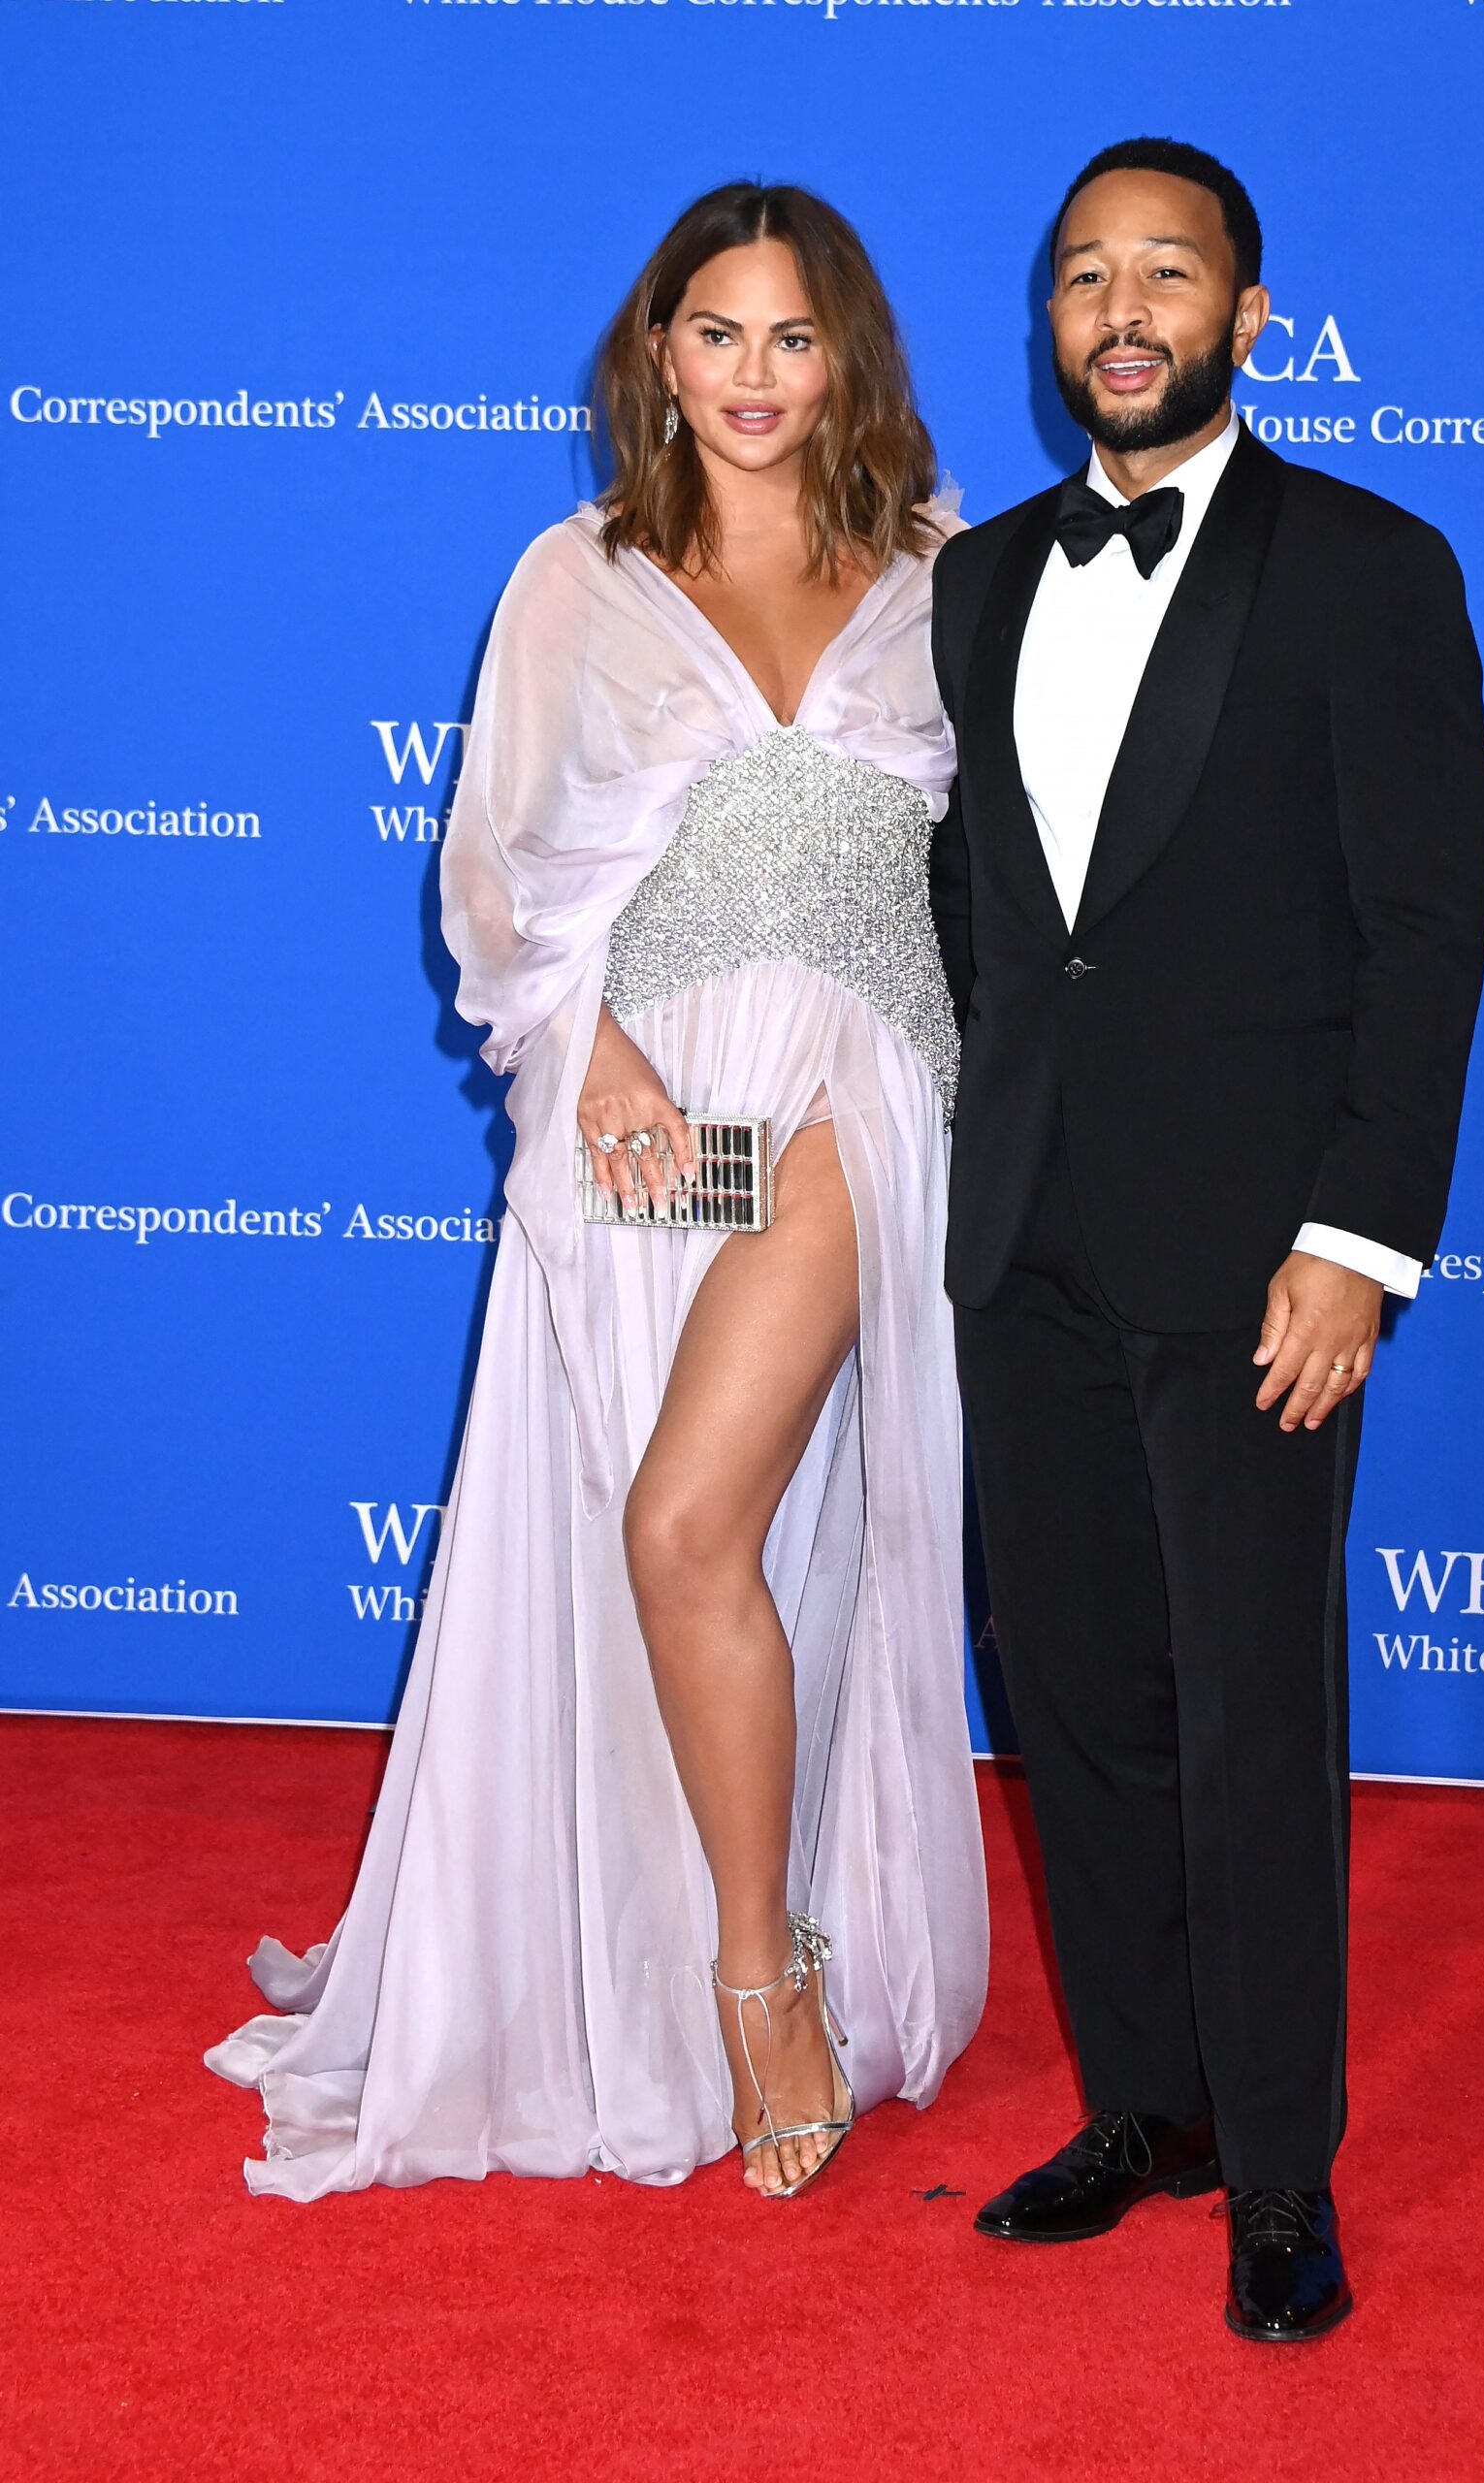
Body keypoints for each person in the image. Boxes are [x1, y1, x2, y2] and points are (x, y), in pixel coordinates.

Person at [209, 182, 987, 2202]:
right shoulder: (582, 574)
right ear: (660, 354)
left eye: (791, 337)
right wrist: (598, 1044)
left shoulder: (941, 567)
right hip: (649, 1113)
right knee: (634, 1533)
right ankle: (659, 1961)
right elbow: (501, 871)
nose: (751, 375)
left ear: (849, 362)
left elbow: (1025, 868)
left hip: (860, 1099)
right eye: (714, 333)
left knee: (686, 1514)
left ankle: (766, 1973)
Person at [929, 139, 1484, 2338]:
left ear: (1252, 315)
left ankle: (1279, 2165)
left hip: (1264, 1255)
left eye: (1169, 270)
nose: (1123, 307)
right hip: (1032, 1236)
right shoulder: (980, 581)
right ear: (1053, 320)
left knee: (1257, 1709)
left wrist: (1357, 1234)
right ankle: (1144, 2102)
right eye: (1086, 274)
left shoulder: (1367, 565)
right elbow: (990, 919)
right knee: (1078, 1696)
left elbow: (1428, 930)